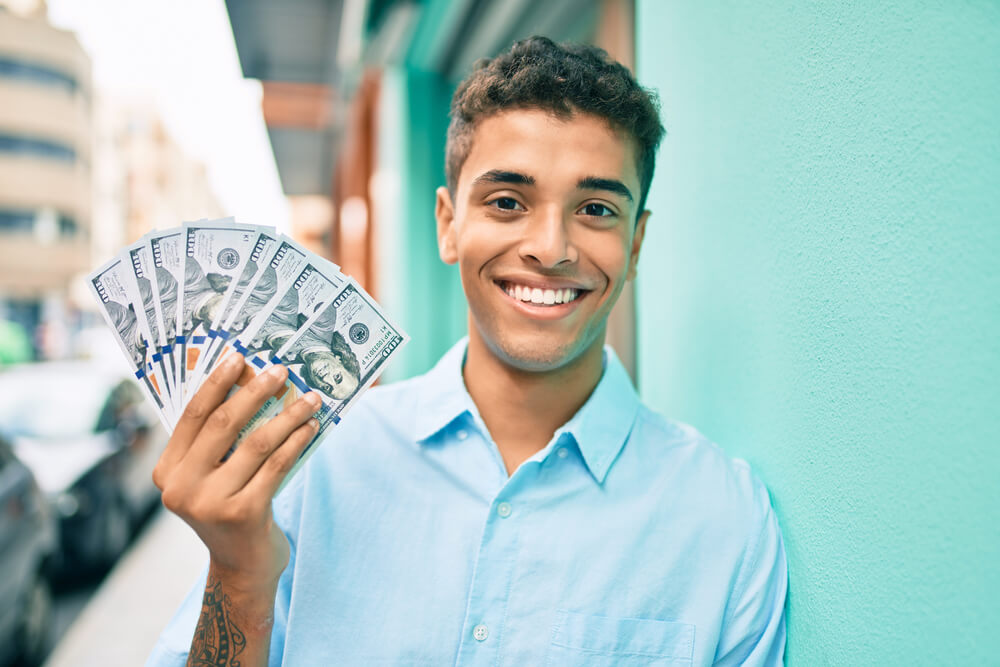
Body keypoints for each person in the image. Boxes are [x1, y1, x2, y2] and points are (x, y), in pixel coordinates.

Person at [149, 37, 787, 666]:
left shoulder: (726, 519)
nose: (551, 247)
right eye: (507, 202)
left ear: (637, 245)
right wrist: (237, 577)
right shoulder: (308, 468)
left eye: (595, 208)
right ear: (448, 225)